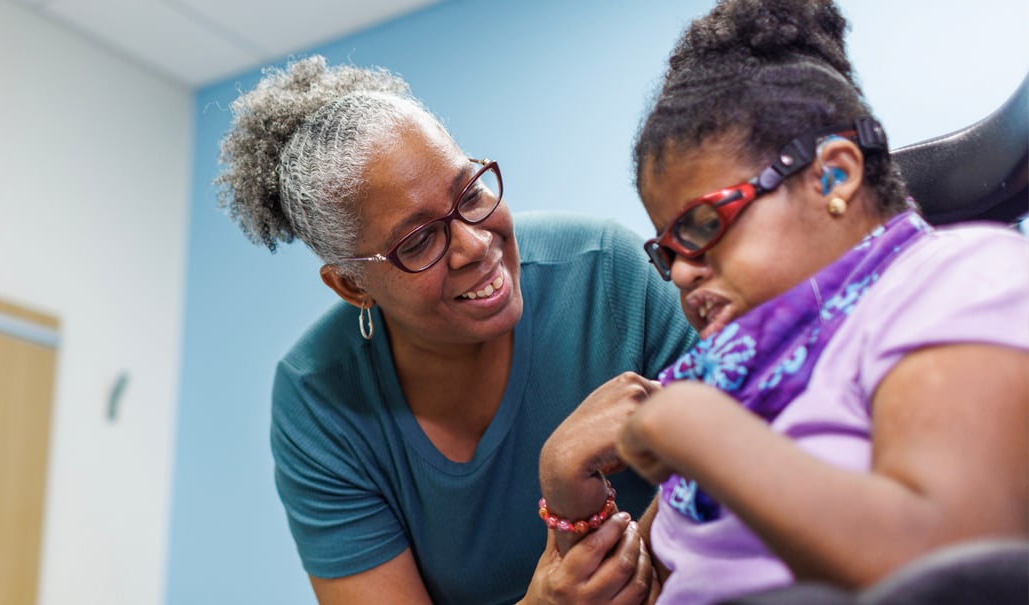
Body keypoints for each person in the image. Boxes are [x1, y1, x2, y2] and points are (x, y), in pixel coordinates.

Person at [537, 0, 1029, 603]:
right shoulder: (736, 376)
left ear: (832, 177)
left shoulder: (952, 280)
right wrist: (567, 487)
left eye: (702, 224)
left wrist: (699, 432)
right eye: (667, 252)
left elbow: (949, 567)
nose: (682, 272)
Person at [214, 55, 698, 604]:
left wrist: (581, 505)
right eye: (418, 241)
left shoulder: (606, 273)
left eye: (470, 194)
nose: (475, 245)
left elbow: (753, 451)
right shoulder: (318, 400)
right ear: (353, 287)